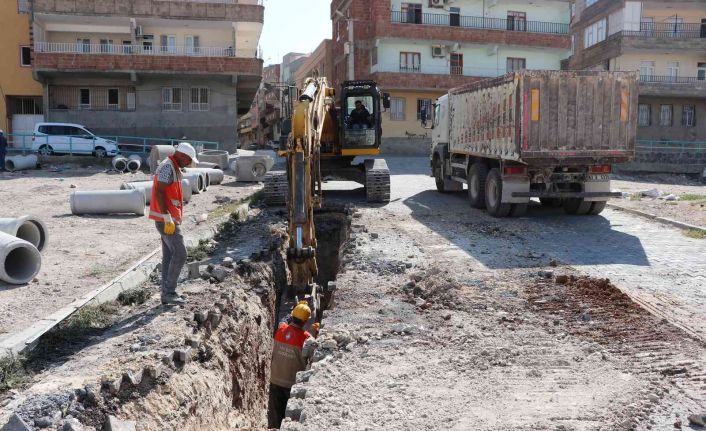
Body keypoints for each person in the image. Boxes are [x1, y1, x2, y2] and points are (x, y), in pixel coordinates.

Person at [148, 142, 198, 305]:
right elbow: (160, 191)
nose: (189, 163)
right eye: (189, 160)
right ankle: (169, 293)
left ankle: (166, 293)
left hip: (167, 219)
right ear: (182, 155)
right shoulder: (168, 167)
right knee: (181, 254)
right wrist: (166, 216)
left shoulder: (173, 167)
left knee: (169, 256)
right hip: (166, 221)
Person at [268, 301, 314, 428]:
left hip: (275, 380)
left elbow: (283, 320)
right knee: (290, 418)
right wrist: (316, 331)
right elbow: (313, 353)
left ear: (292, 316)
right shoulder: (306, 338)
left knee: (274, 415)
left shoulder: (280, 329)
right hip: (292, 385)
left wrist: (293, 310)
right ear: (305, 322)